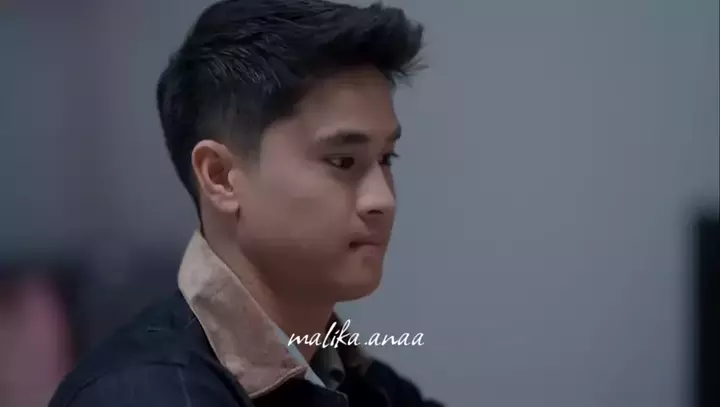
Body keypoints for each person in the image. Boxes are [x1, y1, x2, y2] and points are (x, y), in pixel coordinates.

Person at [49, 0, 442, 406]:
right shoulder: (142, 394)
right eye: (343, 161)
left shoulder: (373, 388)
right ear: (219, 177)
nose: (383, 200)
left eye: (386, 158)